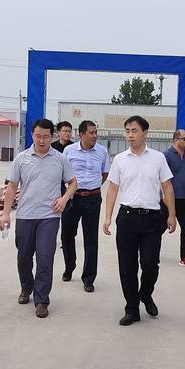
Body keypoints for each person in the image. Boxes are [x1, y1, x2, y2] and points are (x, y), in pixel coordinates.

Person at [0, 119, 76, 319]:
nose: (41, 140)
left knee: (45, 257)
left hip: (49, 216)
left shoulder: (60, 159)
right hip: (25, 215)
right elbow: (11, 187)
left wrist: (64, 199)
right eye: (38, 136)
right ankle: (26, 287)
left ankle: (42, 299)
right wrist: (6, 214)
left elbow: (72, 182)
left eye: (46, 137)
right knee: (24, 257)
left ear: (52, 136)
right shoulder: (21, 158)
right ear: (32, 135)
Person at [103, 115, 176, 326]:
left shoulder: (158, 158)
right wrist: (107, 217)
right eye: (127, 131)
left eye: (134, 131)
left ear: (145, 133)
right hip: (127, 218)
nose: (130, 135)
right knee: (127, 267)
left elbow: (167, 187)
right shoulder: (120, 159)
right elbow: (112, 189)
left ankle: (145, 293)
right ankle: (132, 309)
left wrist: (171, 214)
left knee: (150, 264)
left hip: (152, 219)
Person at [61, 120, 110, 291]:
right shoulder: (69, 151)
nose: (95, 136)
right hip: (72, 198)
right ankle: (69, 266)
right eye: (91, 133)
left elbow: (105, 173)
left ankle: (89, 278)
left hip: (93, 199)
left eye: (96, 132)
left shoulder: (102, 151)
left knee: (91, 239)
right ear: (81, 134)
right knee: (67, 235)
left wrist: (93, 186)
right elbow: (63, 173)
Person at [163, 129, 185, 269]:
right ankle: (148, 251)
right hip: (169, 199)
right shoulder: (166, 156)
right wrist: (163, 196)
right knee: (158, 228)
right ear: (176, 140)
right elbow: (160, 178)